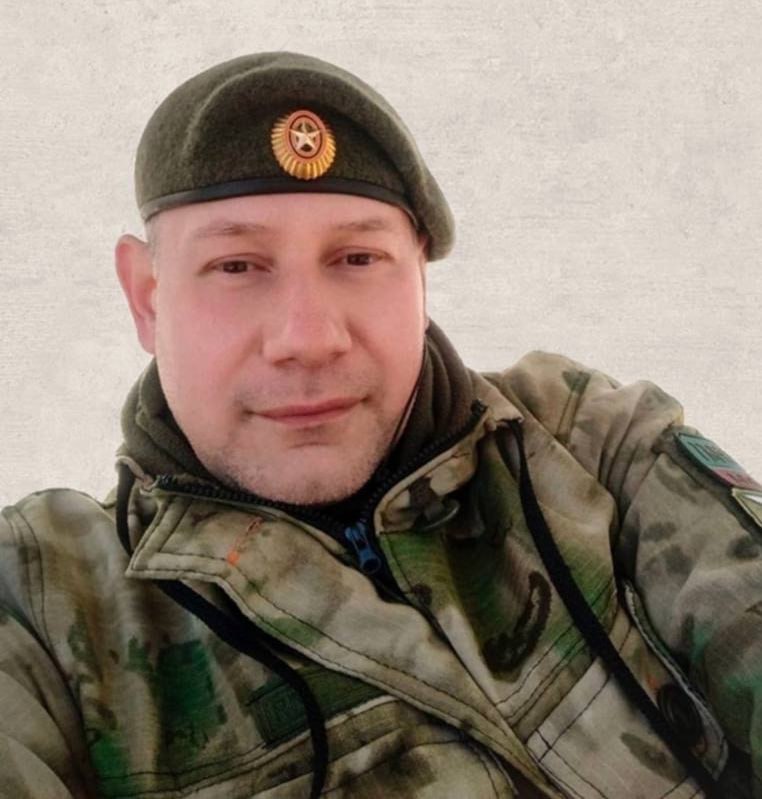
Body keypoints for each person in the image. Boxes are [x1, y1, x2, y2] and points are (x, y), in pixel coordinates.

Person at [0, 51, 759, 799]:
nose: (307, 337)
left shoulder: (582, 436)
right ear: (147, 297)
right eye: (237, 266)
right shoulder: (43, 604)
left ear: (419, 276)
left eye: (357, 258)